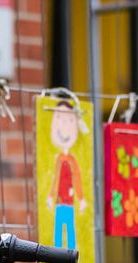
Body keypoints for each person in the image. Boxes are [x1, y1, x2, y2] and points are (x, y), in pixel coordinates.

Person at [46, 99, 85, 250]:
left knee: (70, 228)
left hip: (70, 202)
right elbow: (55, 179)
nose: (65, 128)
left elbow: (78, 179)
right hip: (59, 201)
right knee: (58, 229)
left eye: (69, 121)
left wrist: (81, 199)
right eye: (60, 121)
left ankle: (70, 253)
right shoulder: (58, 159)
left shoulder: (73, 160)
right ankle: (57, 253)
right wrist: (50, 197)